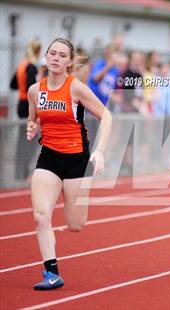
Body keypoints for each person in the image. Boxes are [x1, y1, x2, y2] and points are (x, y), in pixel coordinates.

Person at [26, 38, 112, 290]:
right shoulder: (35, 90)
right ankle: (51, 272)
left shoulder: (77, 88)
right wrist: (32, 128)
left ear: (70, 62)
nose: (56, 58)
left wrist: (100, 152)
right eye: (52, 53)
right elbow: (33, 119)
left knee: (75, 225)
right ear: (46, 57)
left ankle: (77, 204)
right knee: (41, 216)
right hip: (48, 158)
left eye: (62, 55)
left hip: (77, 160)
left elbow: (107, 116)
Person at [10, 39, 42, 180]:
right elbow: (31, 88)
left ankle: (19, 172)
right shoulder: (31, 67)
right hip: (28, 105)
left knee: (22, 139)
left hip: (20, 104)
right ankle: (23, 172)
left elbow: (13, 85)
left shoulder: (21, 65)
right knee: (30, 138)